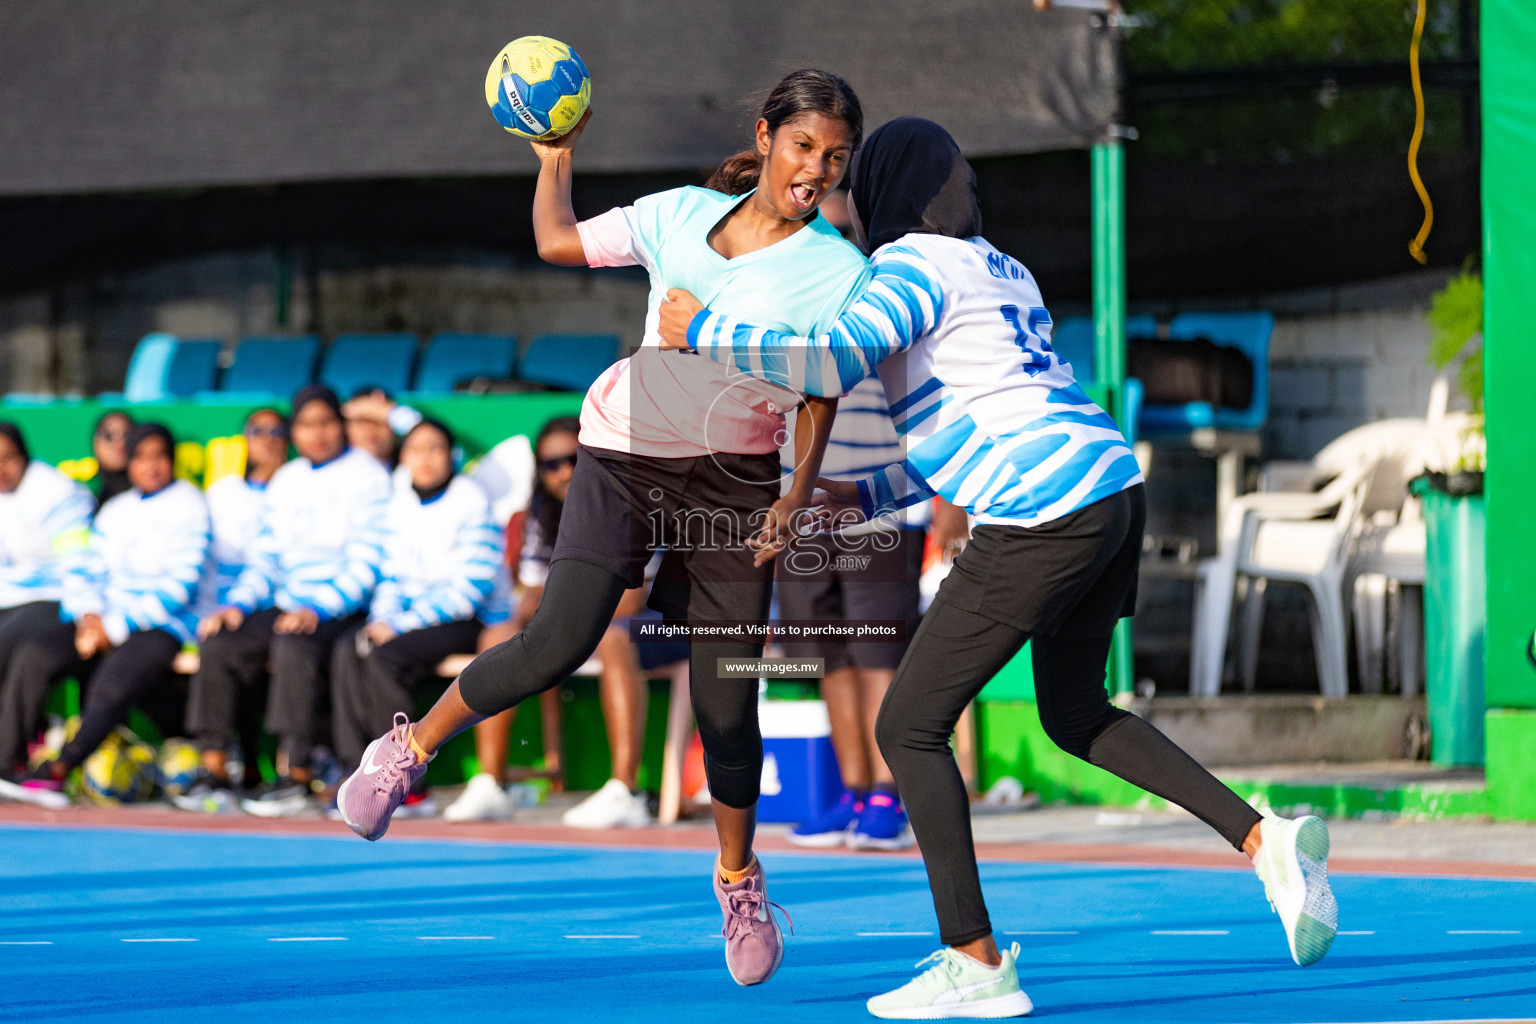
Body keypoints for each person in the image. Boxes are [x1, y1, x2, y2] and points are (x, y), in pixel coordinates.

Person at [658, 117, 1338, 1017]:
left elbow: (829, 363)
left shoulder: (909, 267)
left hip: (1044, 507)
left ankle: (974, 962)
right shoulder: (995, 264)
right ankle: (1265, 841)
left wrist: (706, 325)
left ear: (885, 194)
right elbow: (967, 415)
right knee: (1076, 710)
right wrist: (862, 502)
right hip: (1107, 486)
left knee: (907, 727)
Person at [336, 69, 871, 987]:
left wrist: (791, 494)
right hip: (624, 452)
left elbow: (822, 388)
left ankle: (738, 878)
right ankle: (409, 749)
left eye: (835, 156)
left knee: (727, 699)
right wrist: (557, 158)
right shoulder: (676, 214)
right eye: (802, 147)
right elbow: (554, 240)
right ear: (767, 136)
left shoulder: (840, 267)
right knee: (554, 641)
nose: (815, 169)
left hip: (736, 485)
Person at [186, 384, 390, 817]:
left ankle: (296, 773)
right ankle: (215, 768)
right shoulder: (288, 479)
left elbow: (369, 562)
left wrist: (317, 609)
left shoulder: (368, 474)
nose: (317, 434)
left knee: (294, 646)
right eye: (305, 425)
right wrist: (237, 605)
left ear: (341, 425)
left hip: (342, 606)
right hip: (289, 604)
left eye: (326, 423)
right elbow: (267, 559)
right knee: (221, 641)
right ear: (294, 432)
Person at [443, 416, 654, 828]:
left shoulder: (632, 503)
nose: (563, 471)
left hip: (656, 625)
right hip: (581, 623)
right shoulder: (539, 514)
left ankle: (625, 790)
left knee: (612, 638)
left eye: (572, 459)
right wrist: (563, 610)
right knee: (498, 633)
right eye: (550, 464)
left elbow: (633, 599)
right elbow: (529, 603)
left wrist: (565, 608)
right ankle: (490, 783)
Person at [0, 424, 210, 797]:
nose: (151, 466)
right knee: (36, 656)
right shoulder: (116, 511)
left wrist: (111, 629)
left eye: (160, 456)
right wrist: (89, 617)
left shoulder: (189, 502)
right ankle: (6, 764)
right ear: (128, 462)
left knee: (113, 675)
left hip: (162, 625)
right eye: (141, 457)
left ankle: (59, 769)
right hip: (102, 621)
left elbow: (180, 586)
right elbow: (86, 570)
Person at [777, 376, 929, 851]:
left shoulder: (889, 310)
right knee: (827, 656)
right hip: (796, 508)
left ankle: (888, 796)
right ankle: (855, 792)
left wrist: (943, 500)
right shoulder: (771, 321)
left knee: (878, 655)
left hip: (881, 506)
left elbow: (930, 400)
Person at [330, 419, 502, 818]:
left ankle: (409, 788)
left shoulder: (472, 501)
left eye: (435, 448)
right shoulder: (399, 503)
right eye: (415, 449)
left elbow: (468, 590)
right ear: (403, 457)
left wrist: (399, 627)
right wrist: (383, 621)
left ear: (451, 455)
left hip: (466, 620)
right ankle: (356, 773)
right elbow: (391, 577)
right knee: (349, 647)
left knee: (386, 658)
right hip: (406, 619)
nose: (425, 459)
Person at [171, 408, 292, 811]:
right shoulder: (222, 492)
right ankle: (216, 769)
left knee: (278, 650)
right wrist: (221, 608)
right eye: (258, 431)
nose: (268, 439)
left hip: (289, 604)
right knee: (219, 644)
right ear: (245, 438)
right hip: (233, 607)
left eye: (277, 431)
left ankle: (288, 771)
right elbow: (205, 562)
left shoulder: (299, 488)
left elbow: (275, 564)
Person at [0, 422, 95, 778]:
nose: (2, 469)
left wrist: (86, 613)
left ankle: (5, 763)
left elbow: (78, 562)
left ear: (24, 455)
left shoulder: (55, 492)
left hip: (53, 598)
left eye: (9, 458)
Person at [344, 387, 423, 469]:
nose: (370, 428)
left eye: (378, 421)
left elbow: (423, 432)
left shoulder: (405, 472)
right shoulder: (337, 471)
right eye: (362, 420)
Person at [88, 410, 134, 509]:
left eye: (126, 436)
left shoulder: (153, 491)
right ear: (95, 442)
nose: (119, 444)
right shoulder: (83, 490)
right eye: (108, 436)